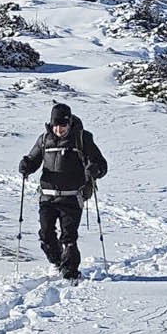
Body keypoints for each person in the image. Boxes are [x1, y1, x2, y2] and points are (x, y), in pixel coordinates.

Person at [18, 103, 108, 279]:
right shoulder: (44, 140)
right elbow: (33, 159)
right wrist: (26, 166)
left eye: (63, 125)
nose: (59, 129)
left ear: (70, 122)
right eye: (56, 125)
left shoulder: (82, 139)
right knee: (45, 234)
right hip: (47, 197)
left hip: (72, 197)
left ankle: (71, 273)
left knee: (69, 238)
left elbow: (102, 164)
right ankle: (57, 262)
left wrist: (95, 169)